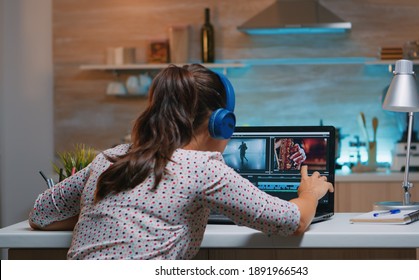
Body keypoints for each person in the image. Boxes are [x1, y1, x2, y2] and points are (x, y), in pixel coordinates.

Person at [29, 64, 334, 260]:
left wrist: (98, 208)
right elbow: (291, 222)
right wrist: (309, 193)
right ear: (222, 123)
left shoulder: (110, 157)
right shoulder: (203, 167)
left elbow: (40, 215)